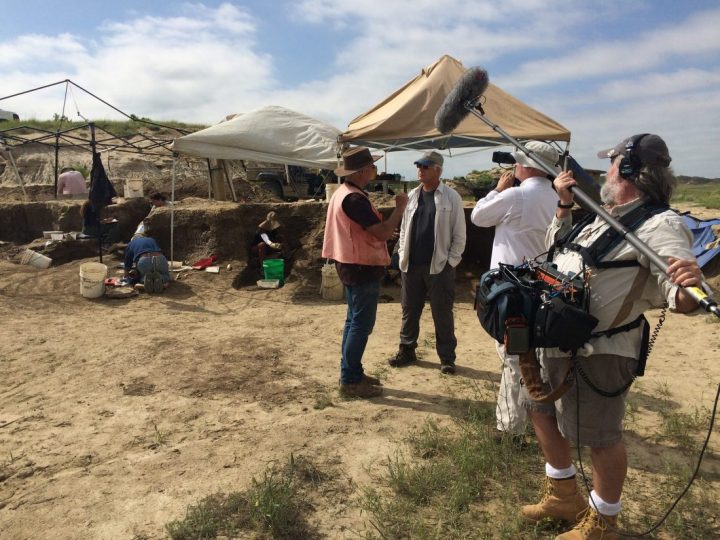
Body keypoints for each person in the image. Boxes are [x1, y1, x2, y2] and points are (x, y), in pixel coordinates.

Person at [519, 134, 705, 539]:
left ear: (629, 169)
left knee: (599, 437)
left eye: (611, 163)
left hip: (601, 349)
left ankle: (603, 523)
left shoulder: (660, 224)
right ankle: (563, 496)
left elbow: (680, 290)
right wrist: (564, 208)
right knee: (540, 409)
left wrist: (690, 286)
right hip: (554, 335)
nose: (605, 170)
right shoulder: (602, 213)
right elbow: (556, 253)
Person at [470, 141, 560, 439]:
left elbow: (478, 217)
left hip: (513, 289)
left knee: (513, 358)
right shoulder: (558, 197)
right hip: (544, 284)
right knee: (535, 355)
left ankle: (510, 429)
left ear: (527, 165)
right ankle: (538, 416)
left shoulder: (516, 196)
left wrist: (497, 189)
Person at [322, 146, 408, 398]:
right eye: (372, 166)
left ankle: (352, 373)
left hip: (351, 263)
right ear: (361, 171)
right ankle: (349, 380)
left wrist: (381, 229)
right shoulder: (355, 199)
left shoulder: (345, 193)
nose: (375, 170)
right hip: (361, 267)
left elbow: (367, 229)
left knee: (353, 321)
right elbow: (380, 233)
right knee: (361, 324)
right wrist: (399, 209)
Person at [388, 150, 466, 374]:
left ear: (437, 170)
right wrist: (402, 253)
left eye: (424, 166)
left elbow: (460, 235)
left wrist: (451, 262)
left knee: (442, 312)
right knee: (409, 310)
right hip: (411, 266)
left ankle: (447, 358)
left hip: (439, 267)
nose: (419, 170)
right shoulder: (412, 195)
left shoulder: (452, 197)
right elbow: (404, 229)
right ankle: (407, 350)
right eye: (418, 166)